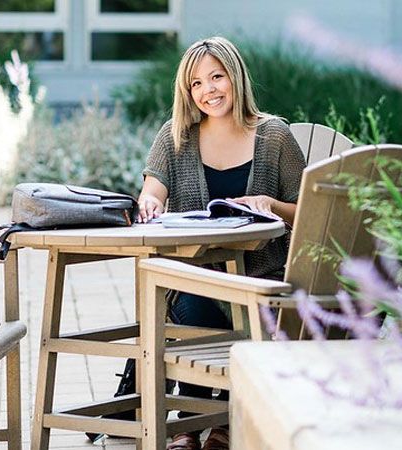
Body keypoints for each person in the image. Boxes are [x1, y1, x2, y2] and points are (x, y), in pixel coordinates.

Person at [137, 36, 306, 450]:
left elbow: (309, 210)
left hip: (263, 277)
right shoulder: (176, 135)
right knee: (193, 303)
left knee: (243, 315)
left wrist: (270, 204)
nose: (209, 90)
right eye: (196, 83)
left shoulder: (274, 136)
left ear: (236, 77)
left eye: (217, 77)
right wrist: (150, 203)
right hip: (195, 275)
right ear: (187, 92)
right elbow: (152, 190)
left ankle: (225, 423)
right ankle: (191, 422)